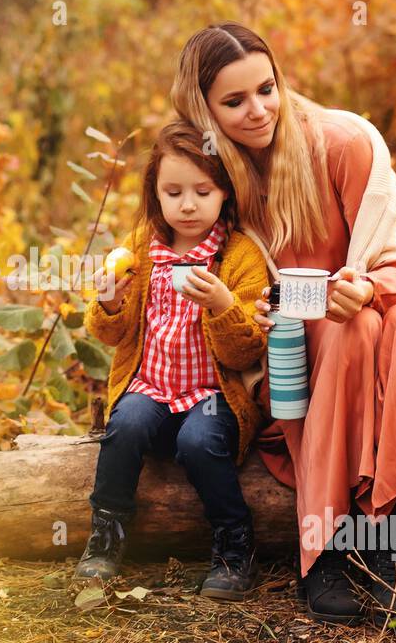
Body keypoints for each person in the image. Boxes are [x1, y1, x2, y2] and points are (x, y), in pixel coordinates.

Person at [169, 21, 396, 628]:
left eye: (266, 88)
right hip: (289, 370)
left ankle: (391, 541)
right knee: (347, 332)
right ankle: (327, 551)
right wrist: (247, 306)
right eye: (234, 102)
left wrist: (363, 286)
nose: (258, 111)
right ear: (203, 107)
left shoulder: (340, 144)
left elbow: (395, 268)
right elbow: (186, 255)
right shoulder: (217, 177)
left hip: (366, 339)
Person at [78, 119, 269, 600]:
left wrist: (224, 306)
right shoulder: (143, 247)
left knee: (200, 442)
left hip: (211, 396)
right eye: (173, 191)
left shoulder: (238, 256)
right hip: (152, 388)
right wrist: (109, 303)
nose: (188, 204)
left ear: (224, 191)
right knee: (126, 426)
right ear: (155, 194)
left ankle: (233, 545)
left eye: (202, 191)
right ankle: (107, 534)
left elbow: (246, 349)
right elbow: (109, 334)